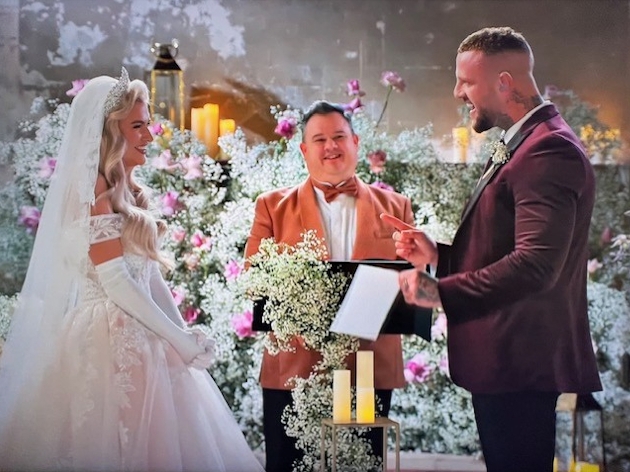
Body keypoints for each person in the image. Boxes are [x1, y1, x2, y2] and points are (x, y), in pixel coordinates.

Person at [0, 68, 264, 472]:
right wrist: (177, 338)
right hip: (106, 338)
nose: (150, 134)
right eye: (137, 126)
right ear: (110, 134)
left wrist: (183, 336)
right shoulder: (92, 194)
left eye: (148, 124)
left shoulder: (130, 192)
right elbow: (116, 281)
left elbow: (148, 276)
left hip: (144, 336)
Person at [382, 26, 602, 472]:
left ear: (504, 82)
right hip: (510, 359)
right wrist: (437, 254)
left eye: (466, 81)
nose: (457, 92)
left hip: (520, 358)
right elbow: (506, 246)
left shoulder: (547, 151)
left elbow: (537, 264)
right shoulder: (528, 140)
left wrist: (439, 292)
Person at [245, 100, 414, 472]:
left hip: (368, 366)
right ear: (304, 150)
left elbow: (413, 277)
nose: (330, 146)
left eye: (339, 136)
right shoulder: (271, 207)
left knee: (362, 466)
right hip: (294, 369)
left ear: (355, 142)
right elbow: (253, 279)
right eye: (319, 139)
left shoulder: (397, 206)